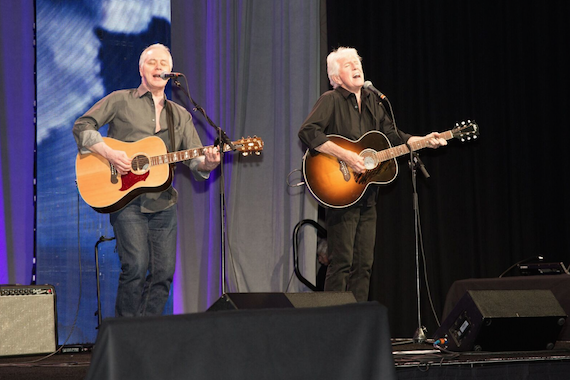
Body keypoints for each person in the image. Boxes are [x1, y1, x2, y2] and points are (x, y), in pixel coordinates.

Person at [72, 43, 220, 317]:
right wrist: (110, 153)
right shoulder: (120, 100)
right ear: (141, 69)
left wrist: (207, 163)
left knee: (163, 273)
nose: (159, 67)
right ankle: (124, 336)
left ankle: (147, 335)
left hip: (163, 204)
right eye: (152, 62)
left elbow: (194, 161)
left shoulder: (181, 114)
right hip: (124, 200)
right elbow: (82, 126)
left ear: (171, 72)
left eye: (164, 63)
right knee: (136, 267)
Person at [298, 47, 446, 302]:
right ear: (335, 75)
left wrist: (422, 140)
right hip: (340, 192)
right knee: (341, 261)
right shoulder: (330, 100)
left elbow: (393, 135)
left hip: (367, 194)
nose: (356, 67)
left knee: (364, 264)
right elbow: (308, 132)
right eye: (348, 64)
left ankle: (358, 323)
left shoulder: (373, 102)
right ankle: (332, 324)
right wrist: (347, 156)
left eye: (358, 62)